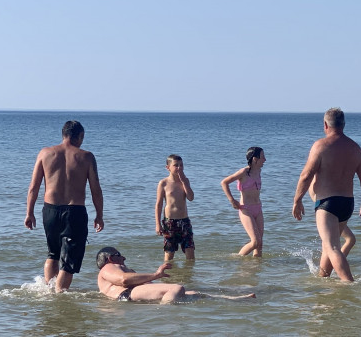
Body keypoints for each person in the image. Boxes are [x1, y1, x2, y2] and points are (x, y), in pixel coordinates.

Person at [292, 108, 361, 282]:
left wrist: (297, 200)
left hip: (327, 203)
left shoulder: (321, 146)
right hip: (347, 203)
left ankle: (348, 283)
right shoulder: (355, 148)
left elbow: (306, 175)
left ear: (325, 125)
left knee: (332, 246)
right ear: (343, 125)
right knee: (327, 246)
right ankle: (324, 277)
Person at [24, 120, 104, 292]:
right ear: (80, 136)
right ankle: (59, 296)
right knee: (69, 262)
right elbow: (96, 189)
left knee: (52, 254)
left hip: (50, 210)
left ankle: (49, 291)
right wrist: (99, 215)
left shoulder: (45, 153)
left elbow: (33, 187)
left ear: (63, 135)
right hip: (74, 212)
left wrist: (29, 213)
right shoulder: (86, 156)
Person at [95, 247, 254, 303]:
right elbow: (123, 280)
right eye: (119, 254)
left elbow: (143, 285)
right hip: (124, 295)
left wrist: (156, 282)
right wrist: (156, 274)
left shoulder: (120, 267)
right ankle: (167, 314)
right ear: (110, 258)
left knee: (195, 294)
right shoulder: (108, 268)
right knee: (177, 288)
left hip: (131, 295)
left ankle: (237, 300)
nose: (123, 258)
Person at [221, 147, 267, 257]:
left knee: (259, 244)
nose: (265, 160)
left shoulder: (259, 171)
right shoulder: (244, 172)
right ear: (255, 159)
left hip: (258, 208)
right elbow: (224, 182)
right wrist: (232, 200)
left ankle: (256, 269)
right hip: (246, 209)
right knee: (255, 241)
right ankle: (237, 259)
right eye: (263, 157)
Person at [155, 154, 196, 261]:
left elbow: (191, 198)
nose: (179, 168)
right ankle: (168, 276)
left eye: (181, 165)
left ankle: (189, 276)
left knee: (190, 253)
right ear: (168, 168)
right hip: (170, 222)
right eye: (176, 165)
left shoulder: (185, 181)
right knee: (169, 254)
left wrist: (184, 182)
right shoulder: (163, 183)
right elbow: (159, 204)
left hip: (184, 221)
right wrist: (158, 224)